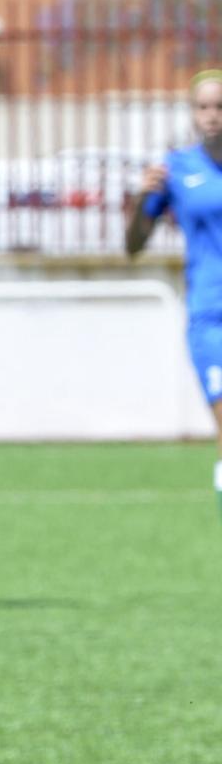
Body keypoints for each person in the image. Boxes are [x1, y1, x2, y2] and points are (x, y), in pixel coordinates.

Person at [126, 69, 222, 516]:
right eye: (204, 107)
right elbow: (134, 245)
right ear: (192, 114)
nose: (213, 116)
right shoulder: (176, 170)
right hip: (211, 318)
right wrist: (139, 199)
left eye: (220, 107)